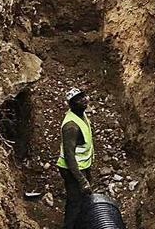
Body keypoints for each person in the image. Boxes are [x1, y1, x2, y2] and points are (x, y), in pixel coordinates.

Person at [57, 88, 94, 228]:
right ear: (71, 105)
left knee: (83, 200)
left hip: (82, 166)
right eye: (79, 99)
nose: (84, 99)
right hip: (71, 169)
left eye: (84, 96)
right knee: (75, 203)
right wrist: (82, 180)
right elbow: (69, 156)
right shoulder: (71, 126)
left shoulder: (81, 114)